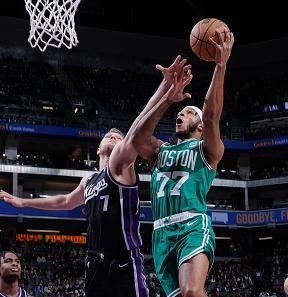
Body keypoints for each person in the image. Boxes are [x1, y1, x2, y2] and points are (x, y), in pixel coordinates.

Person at [0, 56, 191, 297]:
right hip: (94, 264)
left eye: (118, 137)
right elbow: (65, 201)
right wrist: (22, 202)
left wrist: (165, 92)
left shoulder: (120, 166)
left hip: (123, 264)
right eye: (108, 136)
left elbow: (137, 129)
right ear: (98, 148)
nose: (114, 136)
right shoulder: (87, 181)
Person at [132, 29, 234, 297]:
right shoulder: (158, 151)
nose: (180, 115)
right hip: (161, 232)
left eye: (187, 112)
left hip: (191, 225)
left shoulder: (208, 149)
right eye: (179, 113)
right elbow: (136, 138)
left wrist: (220, 66)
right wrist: (167, 98)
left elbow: (212, 115)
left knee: (191, 292)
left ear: (199, 126)